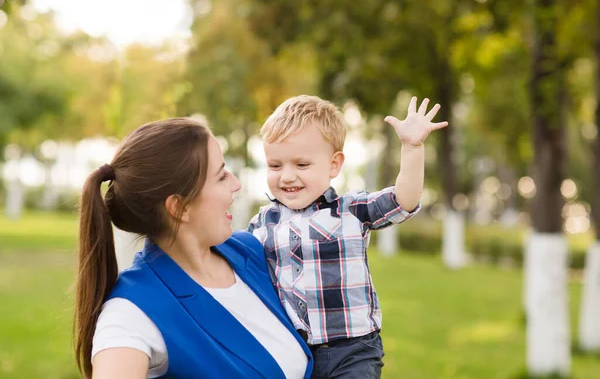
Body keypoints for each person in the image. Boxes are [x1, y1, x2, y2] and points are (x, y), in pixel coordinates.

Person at [74, 118, 313, 379]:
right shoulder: (132, 312)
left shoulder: (252, 251)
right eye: (221, 175)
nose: (236, 183)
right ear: (180, 207)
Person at [248, 95, 447, 378]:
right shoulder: (262, 223)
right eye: (275, 166)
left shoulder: (350, 210)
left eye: (301, 165)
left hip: (353, 350)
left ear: (334, 165)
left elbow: (404, 200)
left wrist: (412, 147)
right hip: (294, 352)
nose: (287, 177)